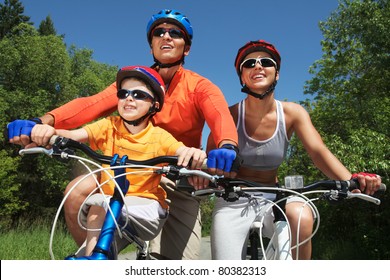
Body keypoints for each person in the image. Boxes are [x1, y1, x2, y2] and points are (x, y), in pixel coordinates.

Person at [7, 9, 239, 259]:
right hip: (127, 171)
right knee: (76, 192)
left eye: (175, 33)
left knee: (181, 264)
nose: (166, 36)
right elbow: (89, 105)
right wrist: (39, 123)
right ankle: (97, 253)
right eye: (159, 32)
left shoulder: (200, 87)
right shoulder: (133, 85)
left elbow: (219, 117)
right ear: (151, 46)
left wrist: (227, 147)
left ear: (187, 48)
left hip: (178, 177)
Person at [206, 39, 382, 260]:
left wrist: (353, 181)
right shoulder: (228, 115)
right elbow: (209, 163)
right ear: (242, 76)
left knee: (301, 216)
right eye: (249, 64)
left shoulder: (293, 113)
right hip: (233, 198)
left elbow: (318, 152)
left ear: (277, 73)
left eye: (266, 62)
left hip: (275, 197)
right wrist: (212, 174)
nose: (258, 66)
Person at [30, 65, 207, 256]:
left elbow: (182, 150)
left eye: (139, 94)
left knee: (101, 203)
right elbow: (73, 135)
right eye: (124, 93)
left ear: (154, 105)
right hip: (110, 204)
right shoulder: (108, 126)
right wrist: (48, 132)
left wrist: (194, 154)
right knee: (97, 212)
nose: (129, 98)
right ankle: (95, 257)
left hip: (147, 209)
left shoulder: (159, 136)